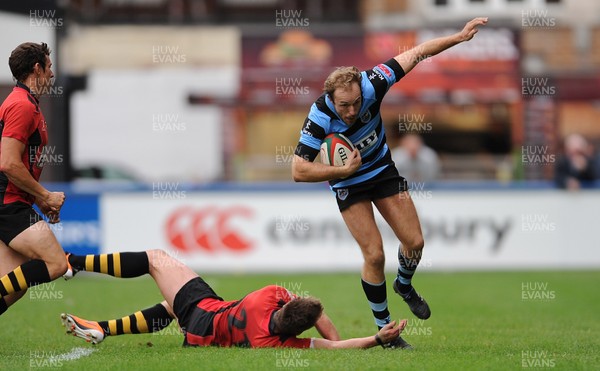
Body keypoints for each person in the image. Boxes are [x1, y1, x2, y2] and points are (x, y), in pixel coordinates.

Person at [292, 17, 488, 348]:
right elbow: (298, 170)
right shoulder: (319, 116)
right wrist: (339, 172)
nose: (352, 110)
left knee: (415, 243)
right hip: (349, 184)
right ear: (331, 98)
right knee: (374, 255)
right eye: (344, 105)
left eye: (356, 102)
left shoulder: (373, 83)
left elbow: (419, 52)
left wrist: (459, 36)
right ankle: (387, 334)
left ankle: (405, 285)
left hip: (382, 171)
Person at [60, 250, 407, 349]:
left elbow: (317, 315)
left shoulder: (268, 295)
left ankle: (73, 262)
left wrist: (334, 332)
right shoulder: (273, 343)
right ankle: (103, 329)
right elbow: (332, 347)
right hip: (199, 335)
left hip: (205, 310)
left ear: (285, 303)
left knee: (156, 259)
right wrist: (374, 339)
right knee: (170, 308)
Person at [0, 42, 67, 315]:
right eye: (49, 67)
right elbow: (8, 162)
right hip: (8, 205)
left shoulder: (28, 104)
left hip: (14, 202)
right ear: (36, 69)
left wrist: (40, 200)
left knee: (13, 285)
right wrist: (46, 195)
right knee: (56, 263)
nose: (52, 74)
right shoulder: (22, 106)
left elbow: (19, 165)